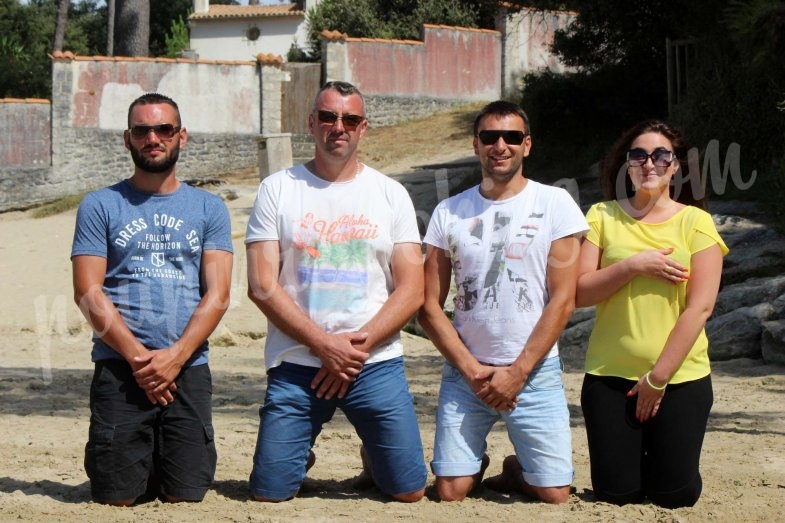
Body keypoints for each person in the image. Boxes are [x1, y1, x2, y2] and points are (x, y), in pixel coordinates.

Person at [245, 81, 427, 503]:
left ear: (364, 128)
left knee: (409, 491)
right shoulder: (278, 188)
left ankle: (374, 454)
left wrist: (351, 350)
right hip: (297, 362)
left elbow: (412, 288)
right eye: (328, 117)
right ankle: (293, 451)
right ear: (311, 123)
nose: (337, 127)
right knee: (270, 493)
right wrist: (323, 345)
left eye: (349, 119)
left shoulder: (391, 193)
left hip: (374, 362)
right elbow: (261, 285)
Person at [418, 100, 587, 503]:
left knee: (554, 494)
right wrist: (472, 369)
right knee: (450, 492)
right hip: (467, 373)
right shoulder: (448, 211)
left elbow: (563, 299)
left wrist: (518, 371)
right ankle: (469, 463)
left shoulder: (556, 204)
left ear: (527, 145)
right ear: (475, 144)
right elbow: (428, 306)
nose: (500, 145)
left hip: (534, 372)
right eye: (489, 137)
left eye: (511, 137)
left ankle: (514, 469)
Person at [71, 93, 234, 506]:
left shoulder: (208, 207)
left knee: (186, 494)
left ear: (182, 136)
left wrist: (176, 357)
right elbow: (88, 291)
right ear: (128, 139)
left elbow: (218, 293)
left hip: (188, 367)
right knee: (117, 497)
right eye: (142, 130)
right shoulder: (100, 205)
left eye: (164, 129)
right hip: (121, 367)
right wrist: (139, 360)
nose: (153, 138)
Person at [576, 120, 728, 508]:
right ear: (626, 164)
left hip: (679, 379)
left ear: (675, 166)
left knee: (673, 496)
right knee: (616, 495)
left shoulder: (696, 222)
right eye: (639, 155)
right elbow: (578, 292)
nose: (650, 163)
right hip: (610, 378)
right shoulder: (600, 216)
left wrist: (658, 379)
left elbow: (701, 307)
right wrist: (632, 266)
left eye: (661, 155)